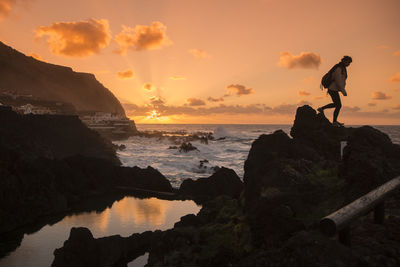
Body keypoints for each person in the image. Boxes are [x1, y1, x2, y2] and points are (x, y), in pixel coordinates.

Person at [317, 56, 352, 127]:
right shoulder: (338, 68)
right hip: (332, 89)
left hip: (334, 89)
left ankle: (323, 110)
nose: (348, 64)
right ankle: (334, 121)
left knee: (337, 104)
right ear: (344, 61)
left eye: (349, 63)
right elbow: (338, 80)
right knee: (338, 105)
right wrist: (343, 91)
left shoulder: (342, 68)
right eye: (348, 62)